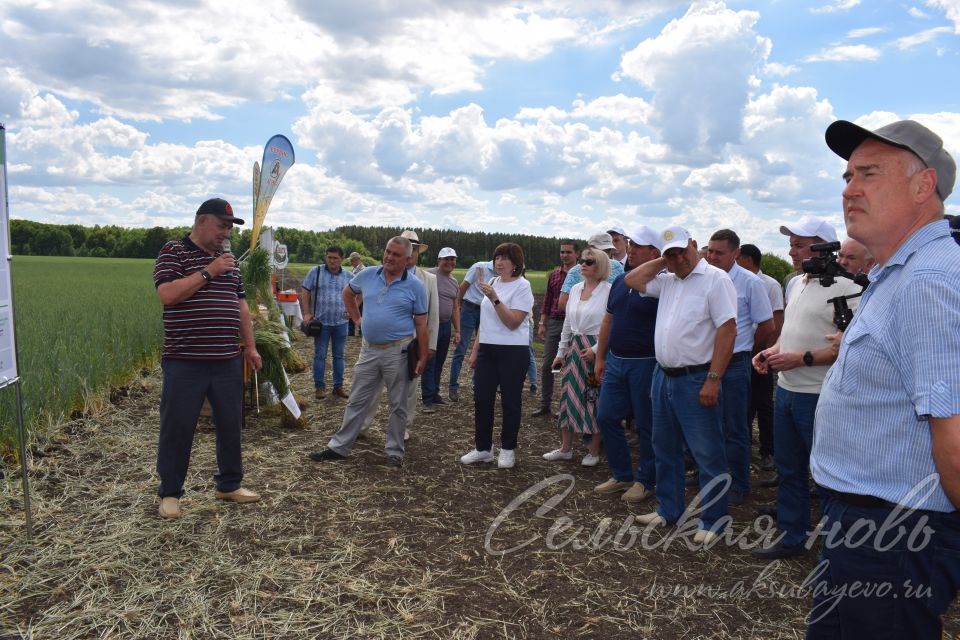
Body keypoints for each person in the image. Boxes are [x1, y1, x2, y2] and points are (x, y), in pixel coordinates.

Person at [805, 119, 960, 638]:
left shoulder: (929, 279)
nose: (849, 188)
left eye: (868, 174)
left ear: (923, 186)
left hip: (895, 532)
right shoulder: (898, 273)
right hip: (866, 522)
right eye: (847, 176)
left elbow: (955, 436)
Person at [750, 216, 861, 560]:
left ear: (822, 246)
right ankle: (793, 536)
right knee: (789, 468)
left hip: (819, 396)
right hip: (785, 390)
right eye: (792, 244)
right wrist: (774, 350)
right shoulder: (797, 283)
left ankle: (834, 549)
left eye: (799, 244)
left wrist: (804, 358)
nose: (792, 251)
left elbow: (852, 346)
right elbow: (791, 329)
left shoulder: (848, 288)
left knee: (827, 476)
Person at [624, 226, 737, 544]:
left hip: (697, 377)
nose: (678, 258)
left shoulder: (716, 279)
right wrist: (664, 261)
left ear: (694, 245)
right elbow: (632, 280)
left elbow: (728, 330)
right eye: (670, 253)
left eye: (681, 251)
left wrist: (713, 379)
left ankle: (714, 521)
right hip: (664, 376)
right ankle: (669, 509)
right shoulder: (669, 279)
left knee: (708, 453)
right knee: (665, 447)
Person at [153, 197, 263, 520]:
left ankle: (228, 484)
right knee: (178, 427)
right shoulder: (174, 252)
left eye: (229, 227)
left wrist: (251, 346)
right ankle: (170, 493)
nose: (226, 233)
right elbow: (168, 295)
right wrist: (208, 272)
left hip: (227, 358)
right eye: (222, 225)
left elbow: (241, 305)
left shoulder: (228, 260)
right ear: (201, 221)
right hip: (185, 360)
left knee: (231, 424)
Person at [309, 236, 428, 468]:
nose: (389, 257)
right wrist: (357, 319)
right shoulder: (368, 274)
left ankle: (394, 451)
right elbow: (347, 293)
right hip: (369, 350)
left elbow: (422, 323)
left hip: (399, 351)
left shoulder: (416, 286)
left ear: (407, 259)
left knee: (398, 404)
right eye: (387, 251)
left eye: (396, 255)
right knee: (357, 399)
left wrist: (423, 355)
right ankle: (339, 447)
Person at [705, 229, 775, 505]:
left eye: (719, 252)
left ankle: (739, 483)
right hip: (706, 361)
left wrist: (747, 350)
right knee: (709, 423)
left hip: (735, 363)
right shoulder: (705, 279)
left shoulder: (749, 283)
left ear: (736, 253)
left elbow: (767, 325)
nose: (712, 257)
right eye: (710, 251)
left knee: (735, 426)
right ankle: (712, 475)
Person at [592, 225, 661, 502]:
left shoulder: (662, 283)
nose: (630, 249)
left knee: (646, 424)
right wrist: (600, 356)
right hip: (616, 360)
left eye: (638, 246)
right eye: (631, 244)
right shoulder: (621, 281)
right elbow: (609, 318)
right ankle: (621, 474)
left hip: (646, 362)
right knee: (607, 415)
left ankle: (646, 479)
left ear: (655, 253)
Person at [460, 243, 535, 469]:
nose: (499, 262)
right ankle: (483, 449)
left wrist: (494, 298)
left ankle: (507, 449)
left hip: (513, 351)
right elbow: (486, 322)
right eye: (497, 257)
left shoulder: (523, 287)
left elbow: (513, 322)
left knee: (510, 401)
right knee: (482, 399)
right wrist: (476, 350)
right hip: (488, 350)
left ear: (516, 264)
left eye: (505, 258)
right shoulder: (492, 282)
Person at [542, 248, 612, 466]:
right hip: (575, 349)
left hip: (595, 351)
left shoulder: (609, 291)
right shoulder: (574, 288)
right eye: (582, 260)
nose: (583, 264)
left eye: (589, 262)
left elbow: (613, 324)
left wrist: (596, 348)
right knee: (568, 395)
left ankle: (593, 451)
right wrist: (561, 352)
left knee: (593, 396)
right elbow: (567, 324)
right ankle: (565, 448)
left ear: (599, 266)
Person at [736, 243, 784, 473]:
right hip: (741, 353)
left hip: (761, 353)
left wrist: (764, 351)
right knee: (743, 405)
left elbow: (774, 323)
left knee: (763, 403)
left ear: (747, 259)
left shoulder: (770, 285)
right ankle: (743, 449)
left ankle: (768, 451)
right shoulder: (734, 280)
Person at [300, 246, 354, 399]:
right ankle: (319, 386)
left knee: (339, 356)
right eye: (329, 257)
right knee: (320, 355)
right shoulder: (315, 272)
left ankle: (338, 387)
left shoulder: (349, 276)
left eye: (335, 258)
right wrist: (307, 313)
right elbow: (305, 290)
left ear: (342, 259)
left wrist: (352, 311)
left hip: (341, 323)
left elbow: (359, 292)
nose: (331, 260)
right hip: (320, 323)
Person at [534, 240, 580, 417]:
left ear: (577, 254)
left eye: (568, 252)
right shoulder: (554, 275)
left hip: (576, 324)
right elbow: (548, 300)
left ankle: (568, 407)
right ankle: (545, 404)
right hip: (555, 322)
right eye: (562, 252)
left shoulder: (582, 273)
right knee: (548, 365)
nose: (564, 255)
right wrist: (542, 323)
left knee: (573, 367)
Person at [448, 258, 495, 402]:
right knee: (461, 349)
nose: (501, 262)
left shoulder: (502, 273)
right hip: (470, 309)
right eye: (499, 258)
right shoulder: (479, 267)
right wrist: (457, 306)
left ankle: (477, 384)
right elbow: (463, 287)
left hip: (486, 311)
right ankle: (453, 386)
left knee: (484, 349)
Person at [422, 247, 461, 411]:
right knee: (429, 361)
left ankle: (435, 393)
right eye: (446, 259)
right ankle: (427, 399)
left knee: (439, 362)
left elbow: (454, 307)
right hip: (430, 325)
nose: (449, 262)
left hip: (445, 326)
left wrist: (457, 330)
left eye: (452, 259)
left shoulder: (454, 282)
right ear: (438, 261)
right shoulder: (427, 275)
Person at [556, 232, 625, 313]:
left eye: (608, 250)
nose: (604, 254)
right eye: (600, 250)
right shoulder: (576, 271)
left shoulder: (617, 267)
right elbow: (563, 304)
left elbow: (624, 297)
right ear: (589, 249)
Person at [347, 251, 365, 336]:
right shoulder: (354, 269)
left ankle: (361, 332)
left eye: (352, 260)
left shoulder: (362, 270)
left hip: (360, 296)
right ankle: (351, 331)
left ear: (356, 260)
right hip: (354, 295)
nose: (351, 262)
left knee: (360, 313)